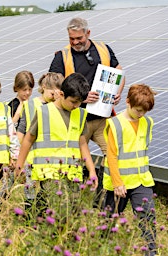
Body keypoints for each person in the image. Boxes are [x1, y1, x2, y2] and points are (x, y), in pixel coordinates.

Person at [49, 17, 124, 201]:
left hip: (102, 117)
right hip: (75, 119)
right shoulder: (62, 56)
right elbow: (55, 86)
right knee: (73, 159)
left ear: (88, 33)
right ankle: (73, 197)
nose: (75, 42)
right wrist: (82, 99)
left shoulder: (103, 49)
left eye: (79, 38)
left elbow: (119, 71)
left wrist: (118, 92)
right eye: (71, 39)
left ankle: (105, 196)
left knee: (114, 155)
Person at [16, 73, 98, 214]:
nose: (76, 106)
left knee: (73, 213)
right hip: (49, 173)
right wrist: (19, 165)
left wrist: (92, 170)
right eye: (73, 101)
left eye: (79, 102)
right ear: (61, 94)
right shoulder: (43, 112)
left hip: (73, 174)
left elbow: (83, 144)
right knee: (60, 209)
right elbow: (28, 139)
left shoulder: (79, 114)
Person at [103, 84, 157, 255]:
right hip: (119, 183)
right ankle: (102, 249)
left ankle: (151, 252)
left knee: (148, 217)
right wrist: (117, 182)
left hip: (142, 180)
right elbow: (111, 155)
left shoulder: (147, 123)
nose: (141, 114)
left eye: (144, 111)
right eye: (138, 110)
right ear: (127, 102)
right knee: (109, 221)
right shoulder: (115, 124)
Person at [16, 72, 64, 206]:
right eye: (51, 91)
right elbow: (21, 131)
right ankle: (28, 218)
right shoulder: (31, 105)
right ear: (43, 87)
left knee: (47, 193)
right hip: (32, 158)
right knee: (30, 192)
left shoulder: (60, 107)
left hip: (51, 160)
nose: (54, 95)